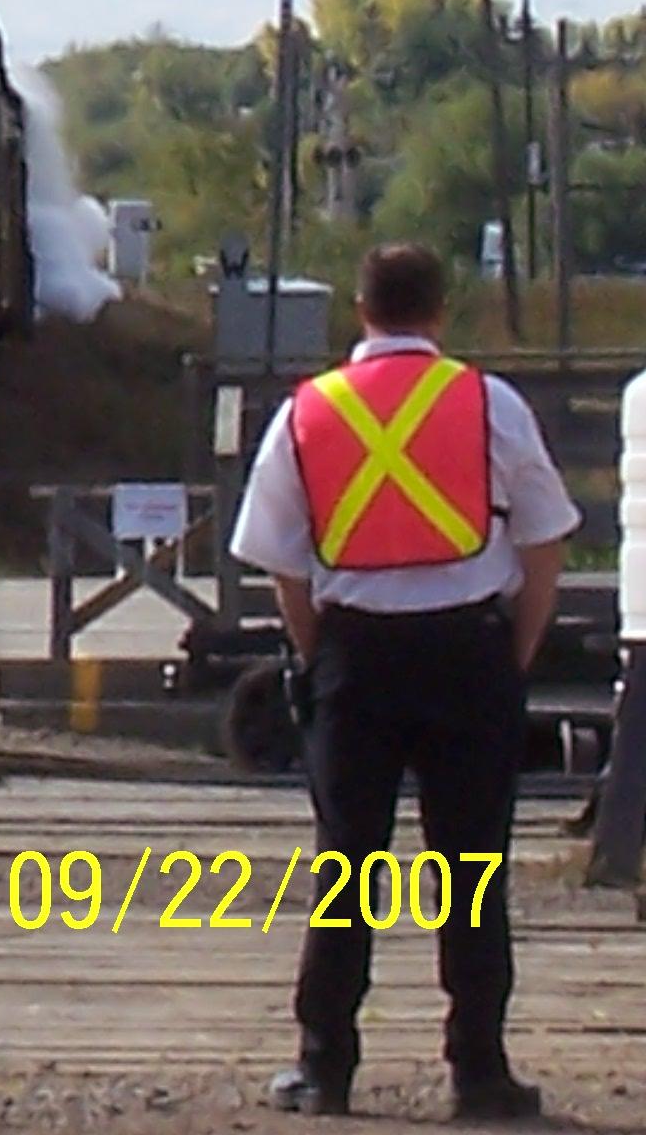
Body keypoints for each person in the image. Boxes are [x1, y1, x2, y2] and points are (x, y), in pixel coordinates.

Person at [230, 242, 578, 1122]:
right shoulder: (487, 402)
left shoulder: (306, 413)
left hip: (356, 656)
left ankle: (325, 1068)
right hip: (469, 654)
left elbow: (281, 563)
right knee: (471, 869)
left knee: (347, 864)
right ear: (439, 312)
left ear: (359, 309)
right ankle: (479, 1070)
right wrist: (517, 652)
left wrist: (319, 656)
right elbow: (544, 539)